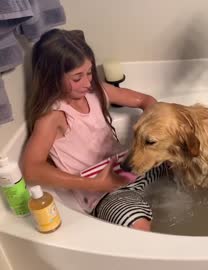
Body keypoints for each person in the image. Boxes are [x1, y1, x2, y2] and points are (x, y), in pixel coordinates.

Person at [21, 29, 161, 231]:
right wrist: (94, 185)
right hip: (103, 193)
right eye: (77, 77)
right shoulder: (53, 116)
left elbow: (146, 100)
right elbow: (31, 169)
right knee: (140, 229)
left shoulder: (96, 91)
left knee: (182, 157)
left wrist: (149, 128)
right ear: (52, 78)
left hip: (128, 169)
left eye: (89, 72)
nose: (88, 82)